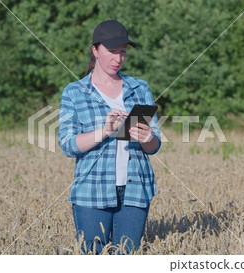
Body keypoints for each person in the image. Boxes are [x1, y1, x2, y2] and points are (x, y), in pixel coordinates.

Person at [58, 20, 161, 254]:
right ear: (95, 50)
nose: (118, 58)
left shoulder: (139, 88)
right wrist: (104, 131)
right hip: (91, 190)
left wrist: (147, 139)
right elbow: (67, 145)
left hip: (135, 189)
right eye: (112, 51)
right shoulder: (74, 92)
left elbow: (155, 145)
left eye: (123, 52)